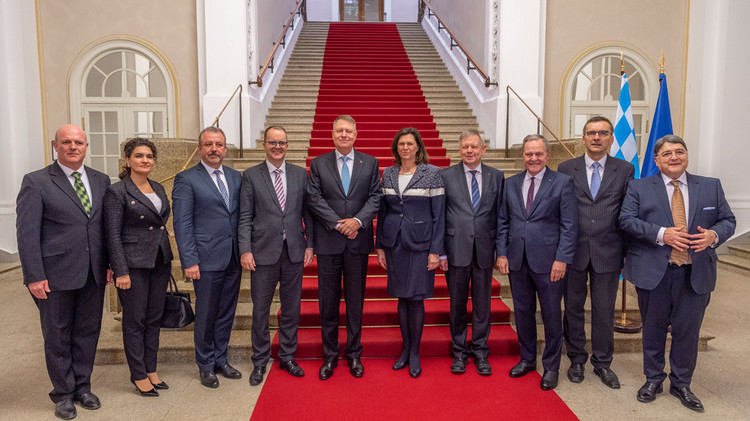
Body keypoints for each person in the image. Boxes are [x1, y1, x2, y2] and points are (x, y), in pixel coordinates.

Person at [619, 135, 735, 412]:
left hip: (695, 273)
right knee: (653, 329)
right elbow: (626, 220)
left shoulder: (710, 186)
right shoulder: (638, 187)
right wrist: (661, 234)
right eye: (667, 153)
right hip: (654, 271)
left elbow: (728, 220)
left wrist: (714, 235)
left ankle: (682, 383)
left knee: (688, 331)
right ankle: (653, 379)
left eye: (679, 152)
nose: (674, 157)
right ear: (657, 161)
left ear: (686, 156)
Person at [16, 124, 111, 420]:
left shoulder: (100, 180)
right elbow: (27, 233)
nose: (73, 146)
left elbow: (105, 228)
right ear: (55, 146)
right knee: (57, 336)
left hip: (93, 273)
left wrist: (109, 264)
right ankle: (63, 394)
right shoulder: (37, 182)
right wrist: (33, 275)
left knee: (87, 332)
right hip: (53, 274)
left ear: (86, 146)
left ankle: (83, 387)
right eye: (66, 142)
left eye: (78, 142)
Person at [496, 134, 578, 391]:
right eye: (529, 153)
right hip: (517, 260)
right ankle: (528, 359)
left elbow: (569, 225)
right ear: (522, 156)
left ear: (547, 155)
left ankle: (551, 367)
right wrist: (501, 253)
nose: (533, 158)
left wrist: (562, 259)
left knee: (552, 315)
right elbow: (503, 222)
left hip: (550, 263)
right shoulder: (510, 184)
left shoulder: (563, 183)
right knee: (522, 313)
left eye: (538, 153)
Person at [557, 116, 634, 389]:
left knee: (603, 311)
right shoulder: (566, 168)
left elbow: (628, 212)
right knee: (574, 309)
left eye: (602, 133)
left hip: (609, 251)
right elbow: (560, 212)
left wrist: (626, 253)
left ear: (612, 138)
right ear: (583, 138)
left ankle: (603, 363)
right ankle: (577, 359)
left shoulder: (625, 169)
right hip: (573, 251)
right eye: (591, 133)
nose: (596, 137)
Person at [307, 115, 382, 380]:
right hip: (329, 243)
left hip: (357, 243)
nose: (343, 134)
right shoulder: (318, 164)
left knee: (354, 303)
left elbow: (376, 197)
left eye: (348, 130)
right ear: (332, 134)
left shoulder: (370, 163)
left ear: (356, 134)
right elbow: (313, 199)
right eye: (339, 130)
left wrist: (358, 221)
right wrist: (339, 224)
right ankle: (329, 356)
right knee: (327, 304)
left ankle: (353, 354)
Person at [239, 126, 314, 386]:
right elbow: (245, 216)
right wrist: (245, 249)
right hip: (262, 253)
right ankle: (259, 361)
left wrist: (310, 244)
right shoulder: (250, 175)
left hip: (294, 251)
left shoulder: (299, 174)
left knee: (291, 309)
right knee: (260, 311)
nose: (277, 147)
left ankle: (287, 356)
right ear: (264, 145)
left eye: (281, 142)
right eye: (272, 142)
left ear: (287, 145)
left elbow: (308, 214)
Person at [172, 126, 243, 388]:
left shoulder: (236, 178)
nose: (215, 149)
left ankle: (221, 359)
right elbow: (182, 223)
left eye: (219, 144)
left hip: (233, 257)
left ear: (225, 149)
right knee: (206, 313)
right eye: (209, 144)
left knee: (226, 312)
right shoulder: (186, 178)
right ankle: (205, 365)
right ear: (200, 149)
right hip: (205, 259)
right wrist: (189, 260)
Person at [103, 138, 173, 397]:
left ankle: (151, 368)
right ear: (128, 160)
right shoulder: (118, 191)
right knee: (135, 320)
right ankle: (139, 374)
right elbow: (112, 233)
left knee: (154, 317)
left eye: (149, 157)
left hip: (159, 260)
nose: (145, 160)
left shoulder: (158, 187)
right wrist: (119, 269)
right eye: (139, 156)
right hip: (132, 264)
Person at [375, 127, 445, 378]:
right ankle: (405, 350)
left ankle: (414, 352)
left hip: (421, 245)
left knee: (415, 299)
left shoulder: (433, 173)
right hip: (394, 245)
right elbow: (383, 212)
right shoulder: (389, 173)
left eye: (410, 143)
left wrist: (436, 251)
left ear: (418, 147)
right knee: (402, 298)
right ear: (396, 148)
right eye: (401, 144)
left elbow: (439, 215)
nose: (405, 147)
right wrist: (380, 246)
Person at [438, 129, 504, 376]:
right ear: (459, 150)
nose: (469, 151)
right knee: (457, 305)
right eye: (465, 147)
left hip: (485, 251)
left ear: (483, 149)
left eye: (474, 147)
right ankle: (458, 352)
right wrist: (440, 252)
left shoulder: (497, 177)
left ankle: (480, 351)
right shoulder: (445, 176)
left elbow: (501, 216)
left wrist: (500, 250)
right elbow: (439, 217)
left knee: (482, 305)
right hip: (455, 250)